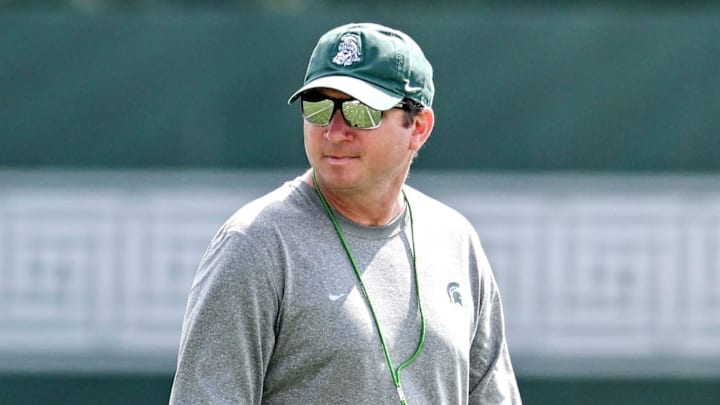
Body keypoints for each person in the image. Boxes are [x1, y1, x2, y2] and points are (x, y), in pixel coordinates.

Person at [169, 22, 521, 405]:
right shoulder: (255, 244)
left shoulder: (455, 240)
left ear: (418, 127)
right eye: (318, 108)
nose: (334, 131)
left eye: (360, 112)